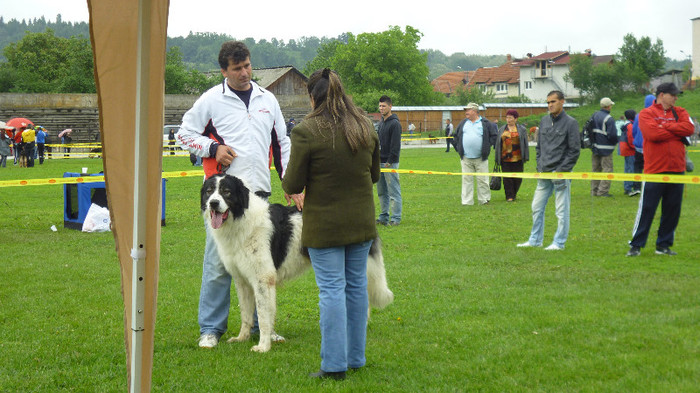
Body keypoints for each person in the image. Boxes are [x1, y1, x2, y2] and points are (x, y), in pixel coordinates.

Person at [176, 40, 302, 349]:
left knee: (261, 269)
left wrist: (291, 184)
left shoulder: (267, 99)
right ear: (224, 71)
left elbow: (281, 143)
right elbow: (183, 134)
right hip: (225, 197)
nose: (245, 73)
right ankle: (210, 329)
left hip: (259, 197)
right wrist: (212, 148)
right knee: (219, 267)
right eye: (237, 69)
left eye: (247, 66)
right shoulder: (210, 100)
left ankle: (264, 328)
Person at [282, 68, 380, 381]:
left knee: (332, 292)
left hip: (325, 226)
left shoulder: (306, 130)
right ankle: (355, 358)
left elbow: (293, 182)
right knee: (355, 288)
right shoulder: (365, 124)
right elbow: (375, 174)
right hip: (362, 222)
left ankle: (335, 365)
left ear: (312, 97)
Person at [626, 83, 694, 257]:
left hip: (677, 169)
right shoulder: (647, 113)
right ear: (662, 95)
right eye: (673, 95)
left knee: (672, 210)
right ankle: (636, 245)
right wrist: (676, 131)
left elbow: (689, 129)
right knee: (647, 209)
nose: (676, 98)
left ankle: (663, 245)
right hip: (654, 170)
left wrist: (665, 127)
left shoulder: (681, 112)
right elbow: (652, 135)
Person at [517, 90, 580, 250]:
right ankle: (535, 240)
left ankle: (559, 243)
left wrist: (561, 170)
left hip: (560, 173)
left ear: (562, 102)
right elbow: (539, 147)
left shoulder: (571, 123)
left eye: (553, 102)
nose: (550, 105)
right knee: (536, 208)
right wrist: (539, 165)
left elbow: (574, 150)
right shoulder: (544, 121)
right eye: (548, 102)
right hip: (544, 172)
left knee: (561, 211)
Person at [451, 102, 497, 205]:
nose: (466, 112)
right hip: (466, 158)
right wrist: (459, 149)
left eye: (468, 110)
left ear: (475, 111)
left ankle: (484, 200)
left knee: (483, 180)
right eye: (466, 110)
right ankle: (467, 201)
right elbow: (455, 137)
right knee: (466, 180)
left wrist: (486, 147)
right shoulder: (463, 123)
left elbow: (494, 136)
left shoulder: (485, 123)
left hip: (481, 158)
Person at [376, 95, 402, 226]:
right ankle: (383, 216)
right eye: (380, 106)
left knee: (393, 191)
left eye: (384, 106)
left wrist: (390, 161)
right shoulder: (381, 123)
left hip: (389, 162)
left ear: (390, 106)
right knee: (382, 192)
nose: (381, 108)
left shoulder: (395, 124)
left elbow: (395, 146)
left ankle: (396, 218)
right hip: (379, 162)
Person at [495, 109, 529, 201]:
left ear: (516, 119)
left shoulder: (521, 129)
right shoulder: (502, 129)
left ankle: (514, 193)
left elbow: (525, 144)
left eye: (510, 118)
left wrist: (526, 155)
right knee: (507, 178)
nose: (508, 120)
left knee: (518, 178)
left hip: (518, 157)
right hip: (505, 158)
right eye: (507, 117)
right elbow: (498, 143)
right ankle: (509, 196)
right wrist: (497, 157)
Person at [589, 97, 619, 197]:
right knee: (607, 169)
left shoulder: (594, 115)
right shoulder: (609, 119)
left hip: (595, 147)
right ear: (608, 106)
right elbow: (613, 135)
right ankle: (602, 191)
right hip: (606, 148)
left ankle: (594, 191)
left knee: (596, 169)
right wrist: (615, 142)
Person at [631, 94, 656, 193]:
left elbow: (634, 130)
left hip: (638, 147)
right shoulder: (656, 114)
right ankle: (650, 186)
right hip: (650, 146)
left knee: (637, 167)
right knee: (651, 167)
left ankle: (637, 187)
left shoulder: (639, 115)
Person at [619, 109, 639, 196]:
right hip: (629, 149)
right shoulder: (630, 126)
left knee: (627, 168)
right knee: (630, 169)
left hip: (625, 148)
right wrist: (635, 147)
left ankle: (627, 187)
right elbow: (631, 139)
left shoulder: (626, 124)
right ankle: (629, 188)